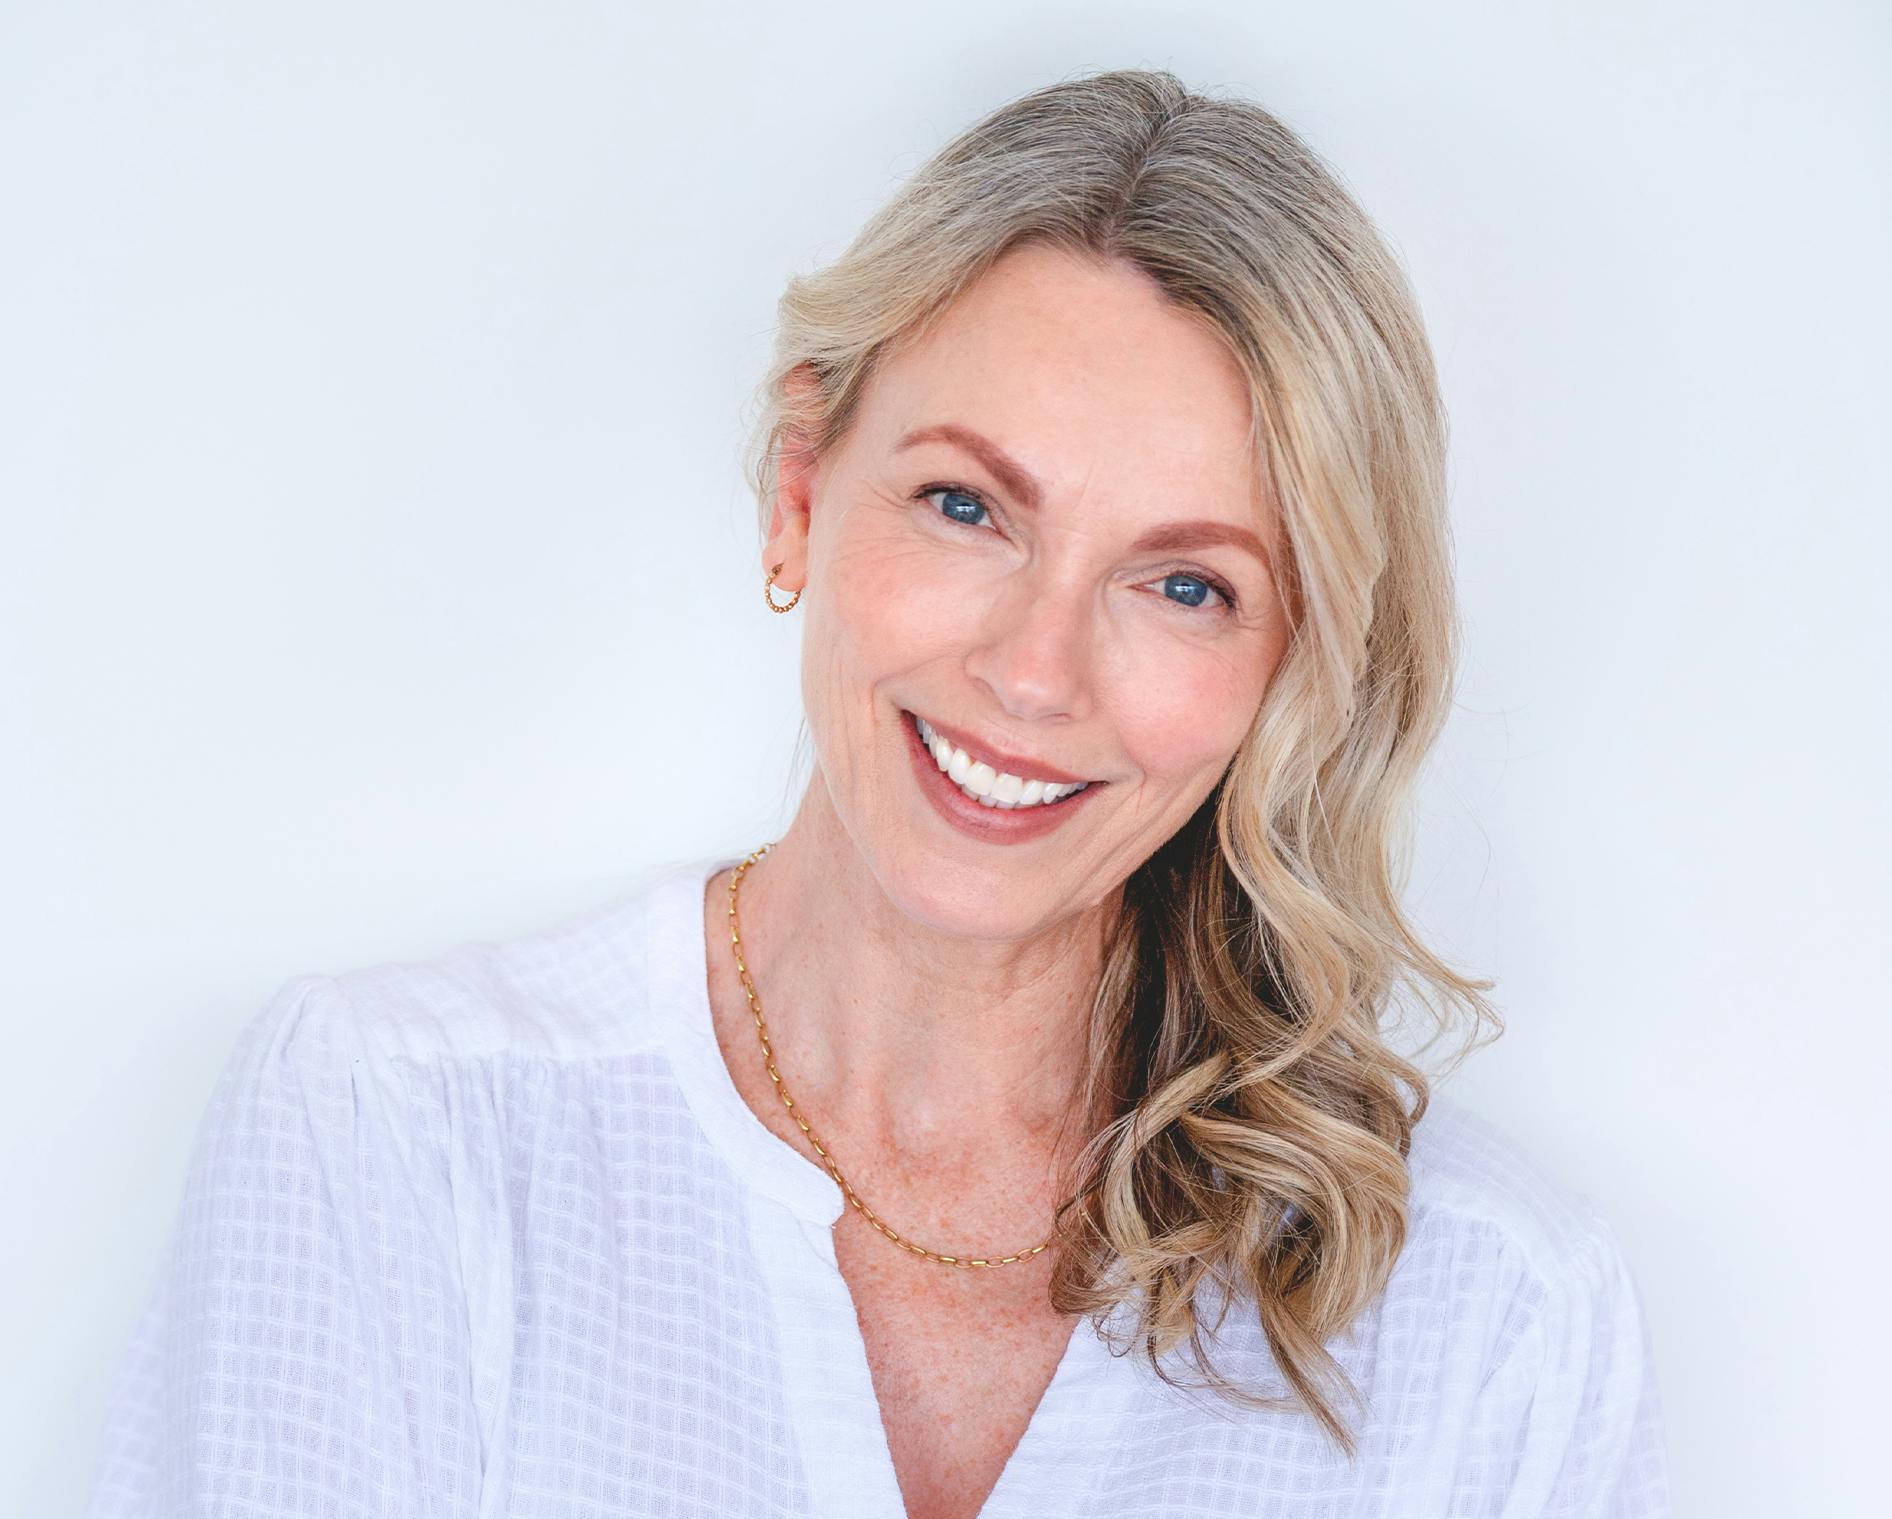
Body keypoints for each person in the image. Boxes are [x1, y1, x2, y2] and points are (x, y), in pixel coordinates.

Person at [88, 67, 1672, 1519]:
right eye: (966, 505)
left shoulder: (1486, 1305)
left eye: (1184, 586)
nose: (1037, 672)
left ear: (1291, 669)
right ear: (799, 496)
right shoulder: (397, 1133)